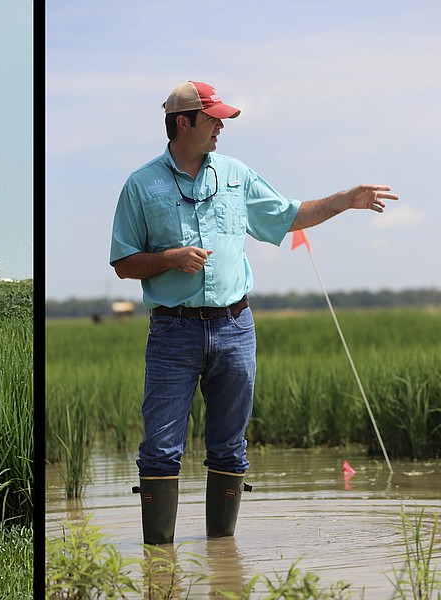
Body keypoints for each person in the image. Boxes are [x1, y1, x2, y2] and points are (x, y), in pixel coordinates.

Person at [110, 80, 397, 545]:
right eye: (213, 118)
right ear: (184, 123)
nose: (221, 126)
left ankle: (224, 563)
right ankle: (157, 567)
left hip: (234, 329)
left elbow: (288, 215)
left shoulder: (237, 174)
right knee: (160, 450)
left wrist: (346, 200)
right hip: (172, 333)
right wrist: (169, 258)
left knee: (230, 447)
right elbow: (123, 263)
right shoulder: (141, 185)